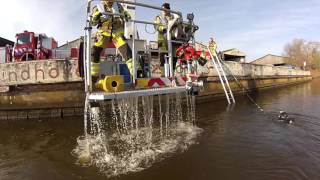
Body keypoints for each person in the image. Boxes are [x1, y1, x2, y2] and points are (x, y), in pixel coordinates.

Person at [91, 0, 133, 81]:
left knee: (127, 52)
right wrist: (96, 16)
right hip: (103, 32)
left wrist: (127, 16)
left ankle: (136, 74)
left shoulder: (119, 6)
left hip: (117, 33)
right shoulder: (97, 8)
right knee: (94, 51)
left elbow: (127, 17)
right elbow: (93, 23)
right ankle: (94, 76)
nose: (110, 2)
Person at [154, 3, 177, 73]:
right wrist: (163, 28)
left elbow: (177, 27)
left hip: (172, 40)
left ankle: (172, 74)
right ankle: (164, 74)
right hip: (162, 41)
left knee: (173, 57)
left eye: (164, 9)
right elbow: (156, 25)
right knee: (163, 58)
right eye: (162, 10)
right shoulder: (159, 17)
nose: (163, 11)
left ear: (168, 10)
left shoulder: (173, 17)